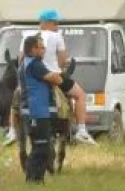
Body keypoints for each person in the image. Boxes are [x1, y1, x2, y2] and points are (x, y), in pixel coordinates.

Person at [5, 10, 96, 146]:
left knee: (16, 99)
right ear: (45, 23)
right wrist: (55, 67)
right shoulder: (57, 36)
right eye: (55, 23)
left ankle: (12, 131)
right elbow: (63, 60)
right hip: (53, 75)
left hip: (31, 76)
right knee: (80, 95)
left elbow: (21, 59)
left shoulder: (27, 36)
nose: (57, 26)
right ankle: (81, 131)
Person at [19, 34, 64, 183]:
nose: (44, 50)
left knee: (41, 147)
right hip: (36, 112)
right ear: (33, 49)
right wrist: (55, 77)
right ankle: (32, 180)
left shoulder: (27, 63)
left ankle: (36, 180)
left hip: (35, 111)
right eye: (41, 47)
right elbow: (57, 79)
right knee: (41, 147)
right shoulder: (35, 64)